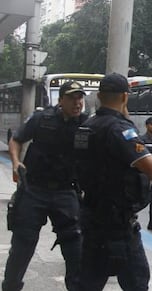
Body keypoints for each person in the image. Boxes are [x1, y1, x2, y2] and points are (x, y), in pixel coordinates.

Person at [76, 73, 152, 291]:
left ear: (99, 96)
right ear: (125, 97)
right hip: (117, 224)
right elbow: (151, 167)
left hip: (90, 218)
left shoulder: (86, 127)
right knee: (136, 283)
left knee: (88, 283)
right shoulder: (118, 129)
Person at [2, 81, 87, 291]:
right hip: (35, 191)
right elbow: (16, 139)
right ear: (61, 101)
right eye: (72, 98)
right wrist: (15, 162)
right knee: (22, 247)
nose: (77, 103)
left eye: (80, 98)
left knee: (76, 249)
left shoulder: (87, 125)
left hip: (66, 192)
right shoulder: (42, 118)